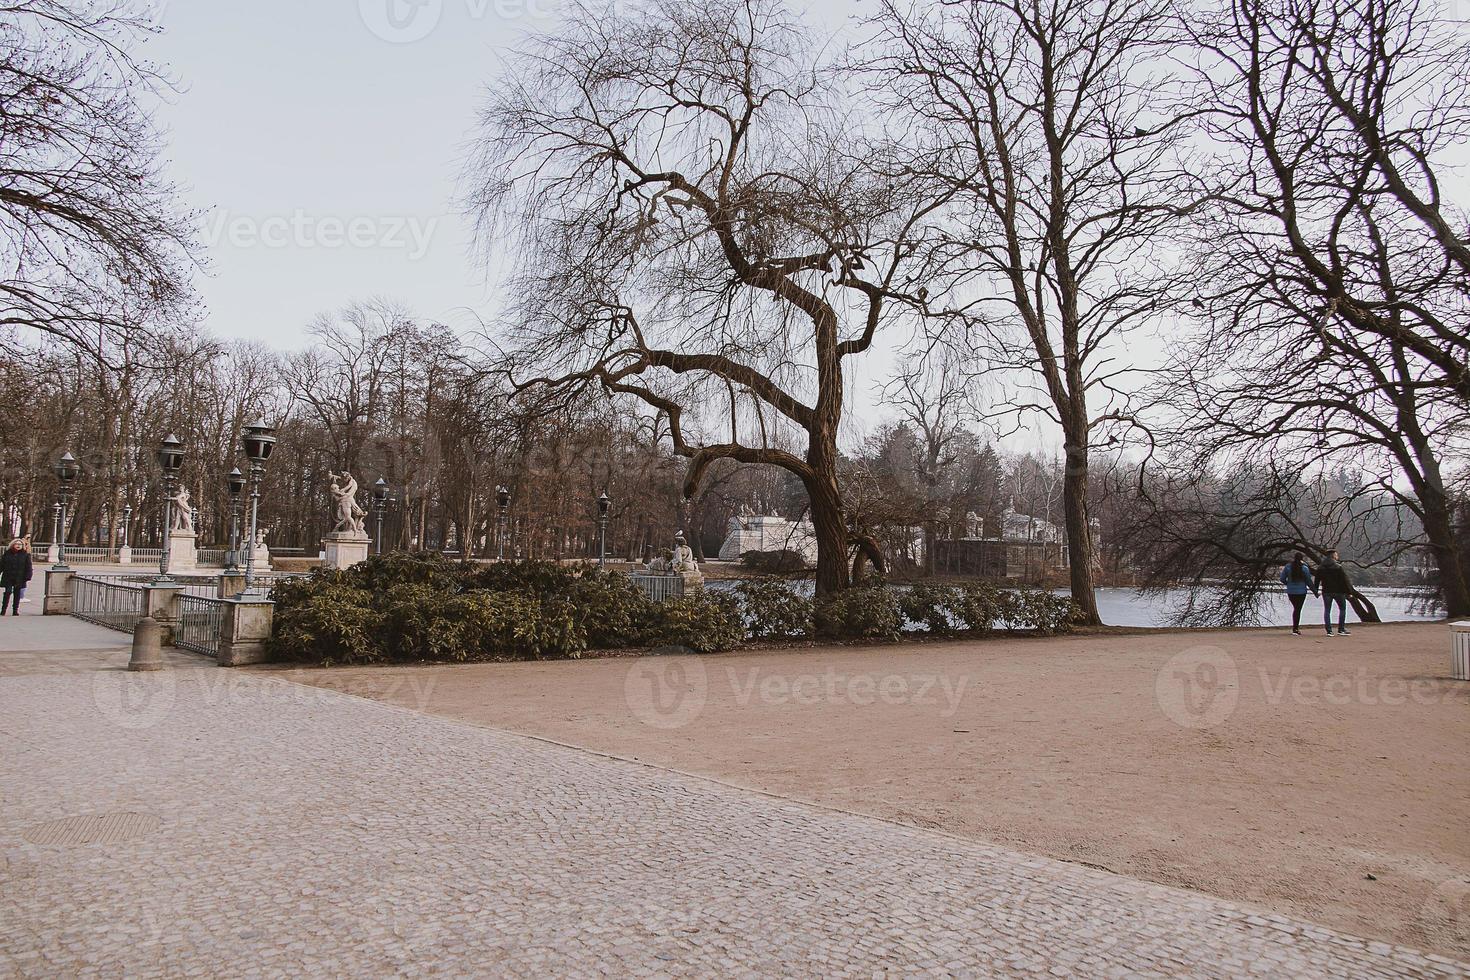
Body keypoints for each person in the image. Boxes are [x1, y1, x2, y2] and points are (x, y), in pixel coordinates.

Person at [1315, 549, 1353, 636]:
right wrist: (1349, 592)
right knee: (1342, 609)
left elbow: (1317, 580)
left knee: (1327, 610)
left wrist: (1315, 591)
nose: (1337, 556)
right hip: (1338, 591)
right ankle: (1341, 629)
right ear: (1333, 556)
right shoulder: (1338, 567)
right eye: (1336, 555)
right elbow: (1344, 580)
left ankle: (1329, 631)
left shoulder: (1320, 567)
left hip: (1326, 591)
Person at [1278, 552, 1317, 635]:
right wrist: (1315, 592)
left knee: (1296, 608)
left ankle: (1295, 628)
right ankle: (1295, 628)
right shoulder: (1304, 568)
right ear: (1302, 559)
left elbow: (1282, 578)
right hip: (1301, 591)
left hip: (1291, 591)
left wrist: (1288, 583)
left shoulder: (1288, 567)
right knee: (1298, 609)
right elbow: (1309, 582)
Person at [1, 539, 33, 616]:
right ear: (13, 545)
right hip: (8, 576)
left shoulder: (25, 555)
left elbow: (28, 567)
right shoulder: (7, 554)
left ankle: (15, 610)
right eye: (16, 544)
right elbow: (1, 565)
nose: (18, 545)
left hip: (19, 577)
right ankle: (3, 609)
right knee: (8, 592)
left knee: (17, 594)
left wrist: (28, 576)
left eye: (20, 544)